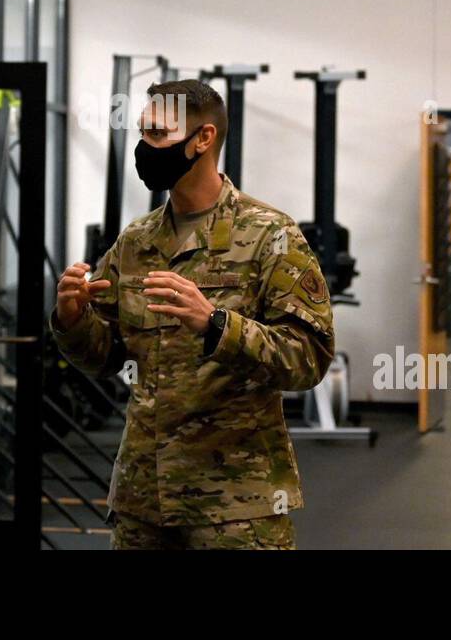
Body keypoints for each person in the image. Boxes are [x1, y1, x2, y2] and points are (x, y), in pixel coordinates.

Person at [52, 79, 335, 549]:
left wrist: (217, 325)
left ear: (202, 139)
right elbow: (103, 358)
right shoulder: (137, 242)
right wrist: (72, 318)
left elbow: (309, 358)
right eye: (141, 133)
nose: (144, 147)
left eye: (158, 135)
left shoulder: (270, 235)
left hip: (234, 504)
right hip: (145, 498)